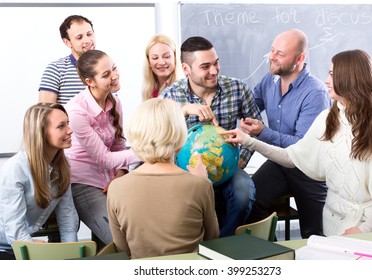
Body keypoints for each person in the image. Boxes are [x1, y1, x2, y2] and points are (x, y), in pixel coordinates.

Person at [222, 49, 372, 237]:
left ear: (350, 79)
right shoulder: (328, 118)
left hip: (366, 227)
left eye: (332, 74)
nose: (326, 80)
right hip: (332, 220)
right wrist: (248, 141)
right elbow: (291, 157)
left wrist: (365, 230)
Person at [160, 36, 262, 237]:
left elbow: (256, 131)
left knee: (244, 193)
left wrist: (239, 161)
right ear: (186, 69)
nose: (214, 70)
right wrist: (183, 110)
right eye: (205, 66)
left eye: (216, 63)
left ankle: (222, 241)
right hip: (185, 170)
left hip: (227, 167)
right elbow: (157, 131)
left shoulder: (237, 88)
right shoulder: (171, 95)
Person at [240, 29, 331, 238]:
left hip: (308, 168)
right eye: (272, 51)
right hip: (280, 162)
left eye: (280, 54)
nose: (272, 57)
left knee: (314, 233)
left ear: (300, 58)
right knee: (252, 202)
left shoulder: (315, 93)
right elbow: (250, 108)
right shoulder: (269, 81)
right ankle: (271, 256)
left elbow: (301, 145)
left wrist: (262, 132)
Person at [107, 98, 219, 259]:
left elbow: (122, 250)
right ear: (179, 138)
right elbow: (212, 239)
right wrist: (203, 181)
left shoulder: (116, 188)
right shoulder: (200, 185)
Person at [65, 49, 140, 246]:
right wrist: (147, 152)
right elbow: (104, 159)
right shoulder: (76, 112)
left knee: (138, 228)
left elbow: (118, 144)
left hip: (112, 180)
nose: (114, 75)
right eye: (106, 75)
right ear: (90, 81)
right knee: (122, 242)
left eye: (114, 68)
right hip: (83, 184)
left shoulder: (115, 101)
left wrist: (121, 172)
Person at [0, 103, 78, 260]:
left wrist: (73, 258)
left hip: (25, 243)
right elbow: (16, 232)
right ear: (41, 133)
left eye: (67, 123)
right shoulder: (15, 169)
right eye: (61, 126)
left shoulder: (64, 165)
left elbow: (67, 218)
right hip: (6, 247)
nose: (70, 130)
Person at [38, 15, 96, 104]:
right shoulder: (56, 69)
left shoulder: (106, 66)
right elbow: (44, 113)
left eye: (89, 34)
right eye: (79, 37)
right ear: (67, 42)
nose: (87, 40)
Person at [142, 34, 181, 100]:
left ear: (175, 58)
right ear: (149, 62)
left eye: (167, 56)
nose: (161, 62)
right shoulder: (149, 89)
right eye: (155, 58)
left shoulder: (184, 88)